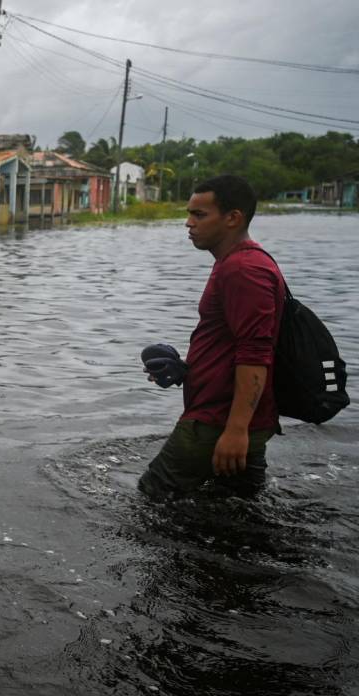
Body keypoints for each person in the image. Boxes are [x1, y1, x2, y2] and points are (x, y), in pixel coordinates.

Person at [138, 174, 286, 499]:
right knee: (238, 506)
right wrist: (190, 370)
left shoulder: (244, 270)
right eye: (189, 213)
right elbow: (235, 345)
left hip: (217, 420)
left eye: (199, 215)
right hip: (231, 415)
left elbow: (255, 353)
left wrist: (235, 430)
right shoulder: (234, 263)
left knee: (150, 499)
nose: (188, 223)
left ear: (233, 218)